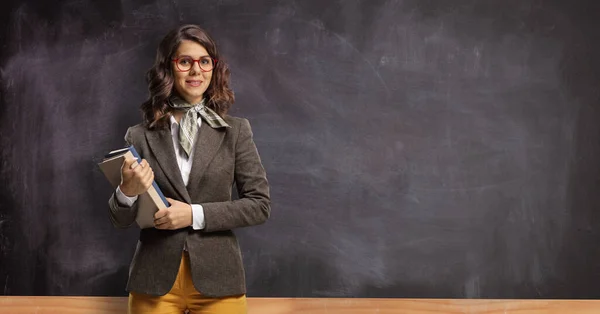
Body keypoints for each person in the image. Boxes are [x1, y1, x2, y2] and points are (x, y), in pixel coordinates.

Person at [108, 24, 271, 314]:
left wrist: (194, 214)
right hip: (154, 280)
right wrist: (127, 192)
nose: (196, 70)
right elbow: (120, 219)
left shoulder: (236, 131)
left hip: (219, 279)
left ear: (213, 68)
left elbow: (259, 205)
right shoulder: (139, 135)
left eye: (204, 61)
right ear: (168, 69)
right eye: (185, 61)